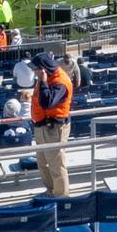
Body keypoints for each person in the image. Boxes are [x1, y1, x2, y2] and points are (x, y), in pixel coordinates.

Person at [30, 52, 75, 197]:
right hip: (41, 126)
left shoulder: (60, 82)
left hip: (54, 128)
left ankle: (62, 197)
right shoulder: (46, 77)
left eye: (35, 68)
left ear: (43, 69)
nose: (33, 71)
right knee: (43, 164)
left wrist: (42, 82)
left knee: (56, 166)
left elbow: (47, 103)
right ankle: (50, 192)